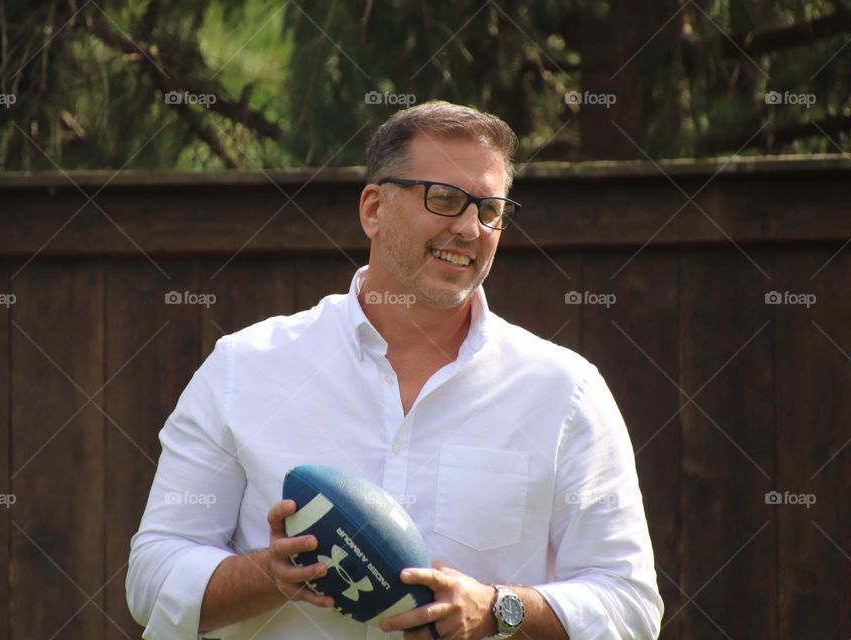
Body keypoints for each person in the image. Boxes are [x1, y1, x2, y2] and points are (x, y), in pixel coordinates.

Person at [126, 100, 664, 640]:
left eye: (490, 209)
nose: (470, 228)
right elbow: (152, 575)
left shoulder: (564, 392)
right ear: (373, 209)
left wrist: (497, 610)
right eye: (446, 199)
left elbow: (630, 605)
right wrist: (268, 575)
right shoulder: (244, 368)